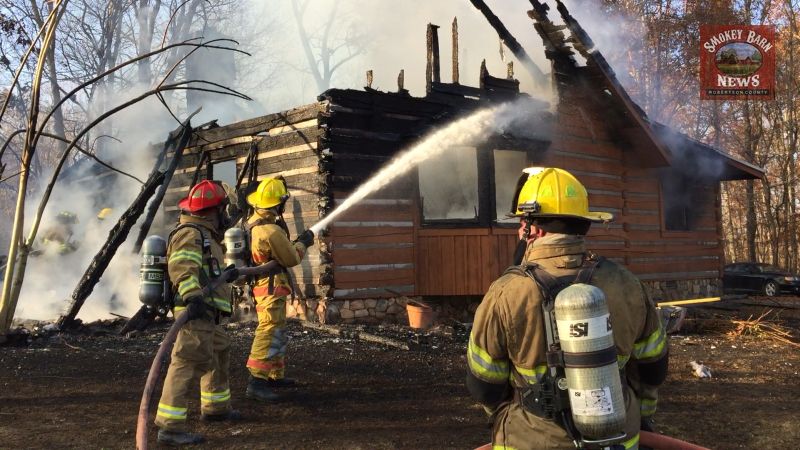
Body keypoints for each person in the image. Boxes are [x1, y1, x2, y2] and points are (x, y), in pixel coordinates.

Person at [467, 167, 668, 450]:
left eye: (521, 223)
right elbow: (652, 369)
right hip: (617, 438)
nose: (518, 231)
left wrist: (507, 419)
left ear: (533, 229)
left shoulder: (505, 292)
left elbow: (484, 383)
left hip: (530, 441)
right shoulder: (627, 283)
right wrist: (640, 417)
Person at [154, 180, 241, 446]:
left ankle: (215, 408)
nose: (226, 214)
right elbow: (182, 266)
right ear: (214, 210)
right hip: (195, 311)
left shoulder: (205, 235)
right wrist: (192, 296)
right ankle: (170, 427)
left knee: (219, 349)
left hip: (207, 310)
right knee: (187, 361)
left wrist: (224, 274)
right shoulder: (190, 233)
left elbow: (205, 269)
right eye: (224, 208)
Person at [243, 177, 314, 402]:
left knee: (277, 330)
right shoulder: (271, 231)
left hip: (265, 286)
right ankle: (257, 381)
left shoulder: (253, 222)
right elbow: (291, 258)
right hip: (271, 288)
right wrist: (303, 242)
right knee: (269, 330)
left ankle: (274, 375)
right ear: (278, 203)